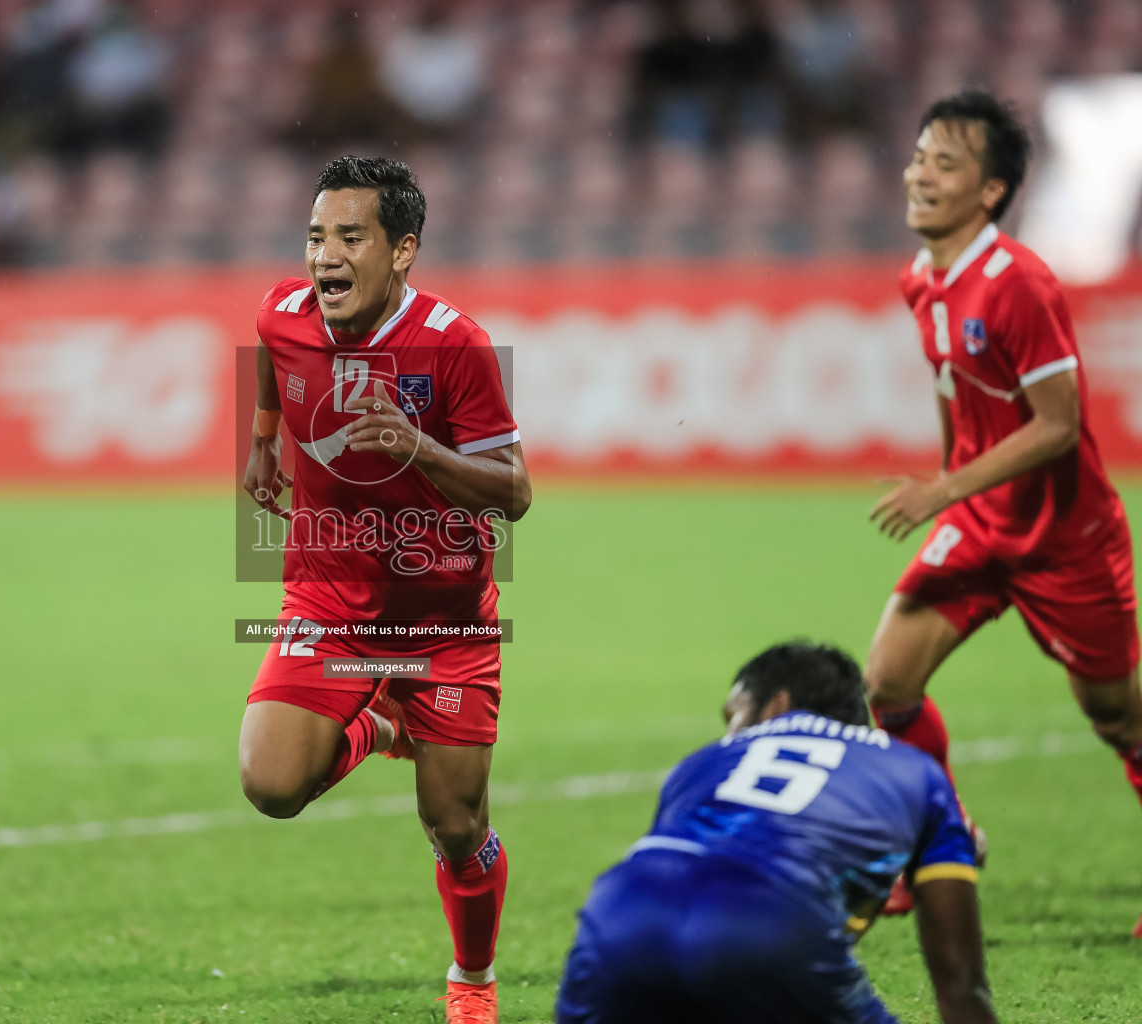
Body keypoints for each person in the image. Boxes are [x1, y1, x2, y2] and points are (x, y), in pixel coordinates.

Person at [240, 155, 531, 1024]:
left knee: (455, 828)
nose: (324, 256)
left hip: (444, 619)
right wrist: (263, 439)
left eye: (349, 237)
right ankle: (377, 723)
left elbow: (514, 492)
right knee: (270, 784)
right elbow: (269, 357)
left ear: (403, 251)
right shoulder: (282, 313)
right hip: (326, 598)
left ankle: (472, 981)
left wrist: (422, 449)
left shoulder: (455, 344)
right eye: (316, 236)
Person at [865, 90, 1142, 929]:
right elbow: (955, 387)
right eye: (919, 156)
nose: (920, 173)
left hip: (1067, 536)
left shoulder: (1019, 283)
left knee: (1116, 714)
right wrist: (956, 484)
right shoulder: (923, 277)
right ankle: (942, 843)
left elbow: (1060, 428)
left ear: (990, 191)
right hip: (983, 519)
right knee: (886, 684)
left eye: (944, 163)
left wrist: (944, 488)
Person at [556, 641, 998, 1024]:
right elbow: (961, 986)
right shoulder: (912, 770)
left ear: (777, 706)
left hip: (620, 909)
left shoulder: (702, 763)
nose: (728, 732)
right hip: (773, 919)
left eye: (733, 715)